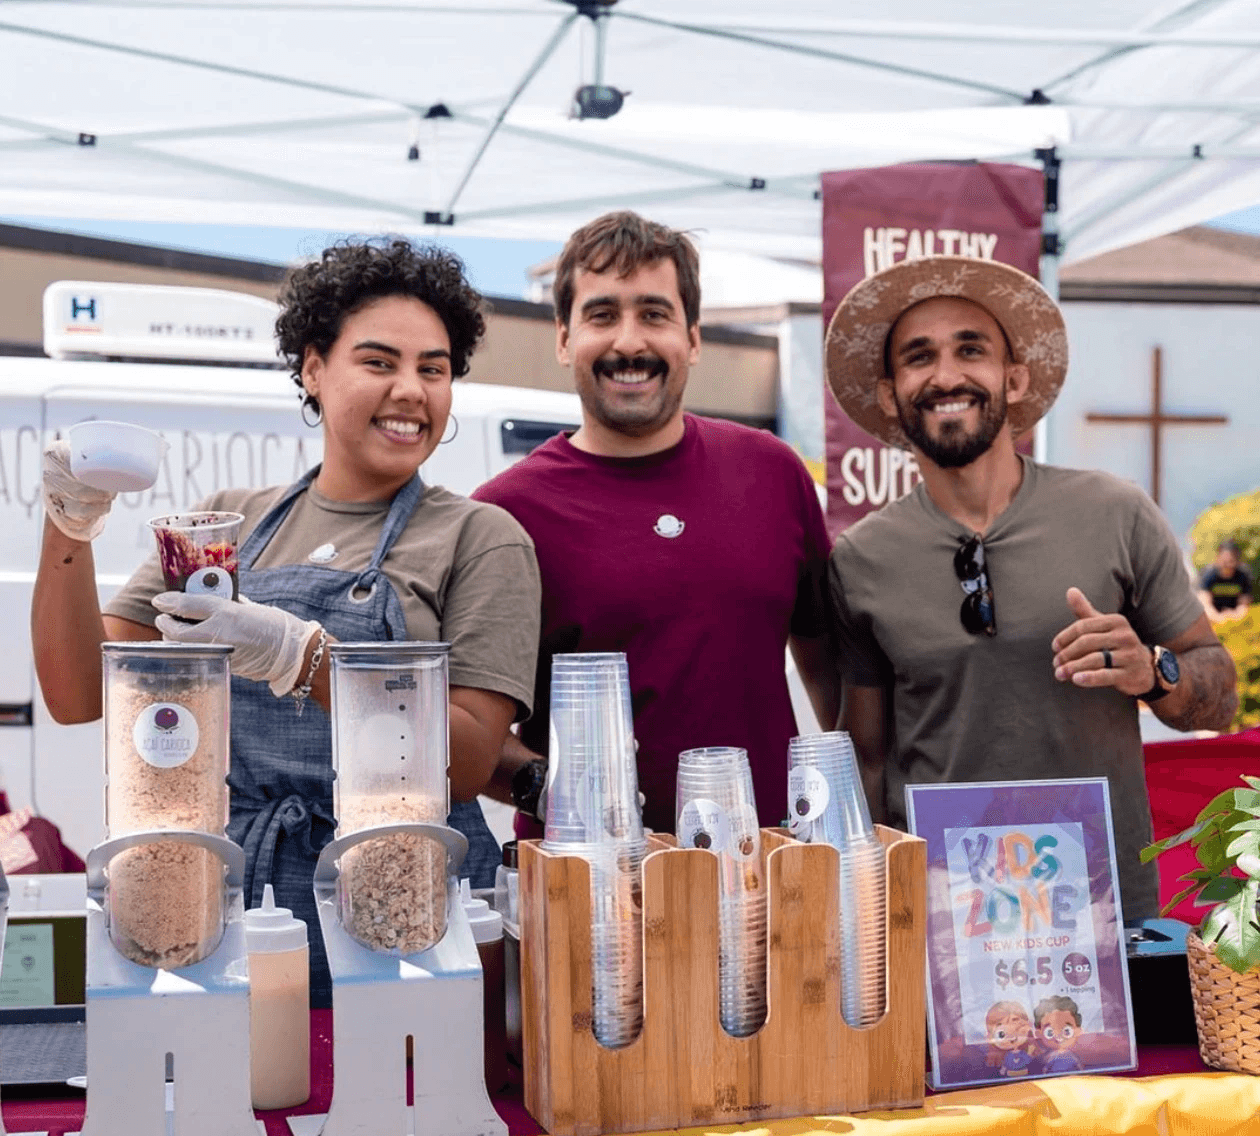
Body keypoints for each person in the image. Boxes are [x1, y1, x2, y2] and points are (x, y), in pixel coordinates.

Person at [31, 240, 541, 1002]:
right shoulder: (229, 522)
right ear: (312, 368)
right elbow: (79, 693)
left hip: (398, 916)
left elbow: (464, 761)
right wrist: (68, 528)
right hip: (230, 906)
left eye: (433, 369)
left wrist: (300, 656)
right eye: (379, 362)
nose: (411, 390)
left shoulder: (478, 537)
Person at [824, 255, 1237, 922]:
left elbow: (1218, 697)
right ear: (889, 393)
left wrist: (1151, 671)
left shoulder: (1114, 512)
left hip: (1102, 912)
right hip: (945, 922)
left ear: (1013, 379)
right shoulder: (861, 558)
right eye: (918, 357)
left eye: (971, 350)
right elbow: (867, 760)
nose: (947, 374)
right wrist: (875, 919)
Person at [473, 210, 839, 836]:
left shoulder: (773, 474)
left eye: (654, 313)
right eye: (602, 314)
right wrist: (566, 797)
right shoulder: (505, 514)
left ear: (693, 337)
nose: (630, 341)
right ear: (563, 339)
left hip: (772, 879)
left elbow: (832, 674)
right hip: (589, 892)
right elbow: (466, 735)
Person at [1198, 538, 1252, 622]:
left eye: (1231, 561)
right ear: (1218, 558)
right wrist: (1218, 618)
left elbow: (1244, 604)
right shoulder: (1208, 575)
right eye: (1224, 561)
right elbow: (1205, 604)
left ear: (1237, 560)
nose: (1227, 565)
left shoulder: (1243, 575)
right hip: (1214, 618)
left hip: (1237, 618)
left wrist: (1235, 616)